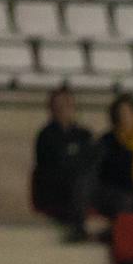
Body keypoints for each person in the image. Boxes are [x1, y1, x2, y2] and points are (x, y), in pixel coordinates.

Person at [29, 85, 95, 239]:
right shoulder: (45, 136)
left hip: (81, 185)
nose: (63, 109)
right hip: (55, 188)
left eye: (67, 104)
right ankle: (77, 227)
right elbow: (50, 166)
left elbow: (90, 161)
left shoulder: (84, 134)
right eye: (58, 105)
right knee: (77, 181)